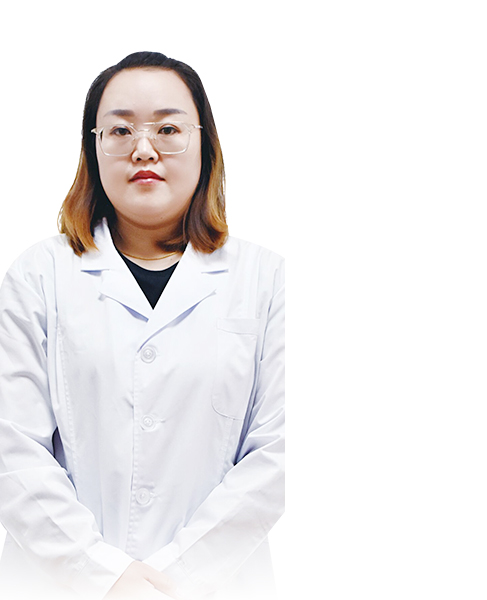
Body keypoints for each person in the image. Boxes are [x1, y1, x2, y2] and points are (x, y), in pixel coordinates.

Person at [0, 52, 284, 600]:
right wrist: (103, 576)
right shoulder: (38, 275)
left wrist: (176, 579)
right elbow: (11, 447)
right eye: (121, 129)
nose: (144, 148)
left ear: (205, 144)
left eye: (168, 129)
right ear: (94, 147)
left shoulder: (268, 280)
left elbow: (281, 455)